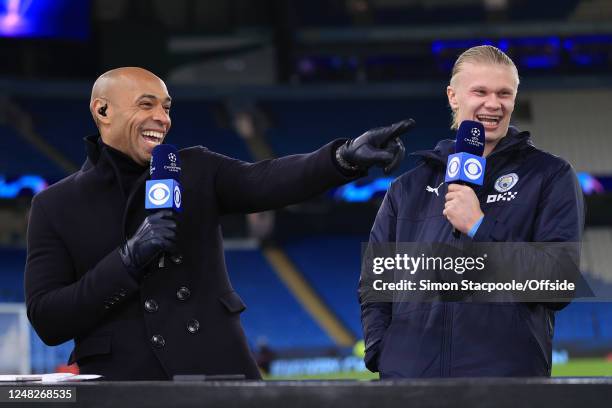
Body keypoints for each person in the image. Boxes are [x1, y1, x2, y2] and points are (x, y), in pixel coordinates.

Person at [24, 67, 414, 380]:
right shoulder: (55, 205)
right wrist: (126, 262)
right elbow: (48, 318)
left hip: (218, 375)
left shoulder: (196, 169)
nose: (162, 118)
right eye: (147, 105)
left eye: (167, 107)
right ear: (102, 111)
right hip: (125, 386)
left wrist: (343, 159)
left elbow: (269, 179)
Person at [360, 45, 584, 377]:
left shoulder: (550, 175)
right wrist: (384, 351)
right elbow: (375, 282)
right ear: (453, 96)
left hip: (505, 383)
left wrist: (480, 225)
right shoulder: (406, 188)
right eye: (480, 91)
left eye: (504, 93)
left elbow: (558, 282)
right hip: (411, 384)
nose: (493, 104)